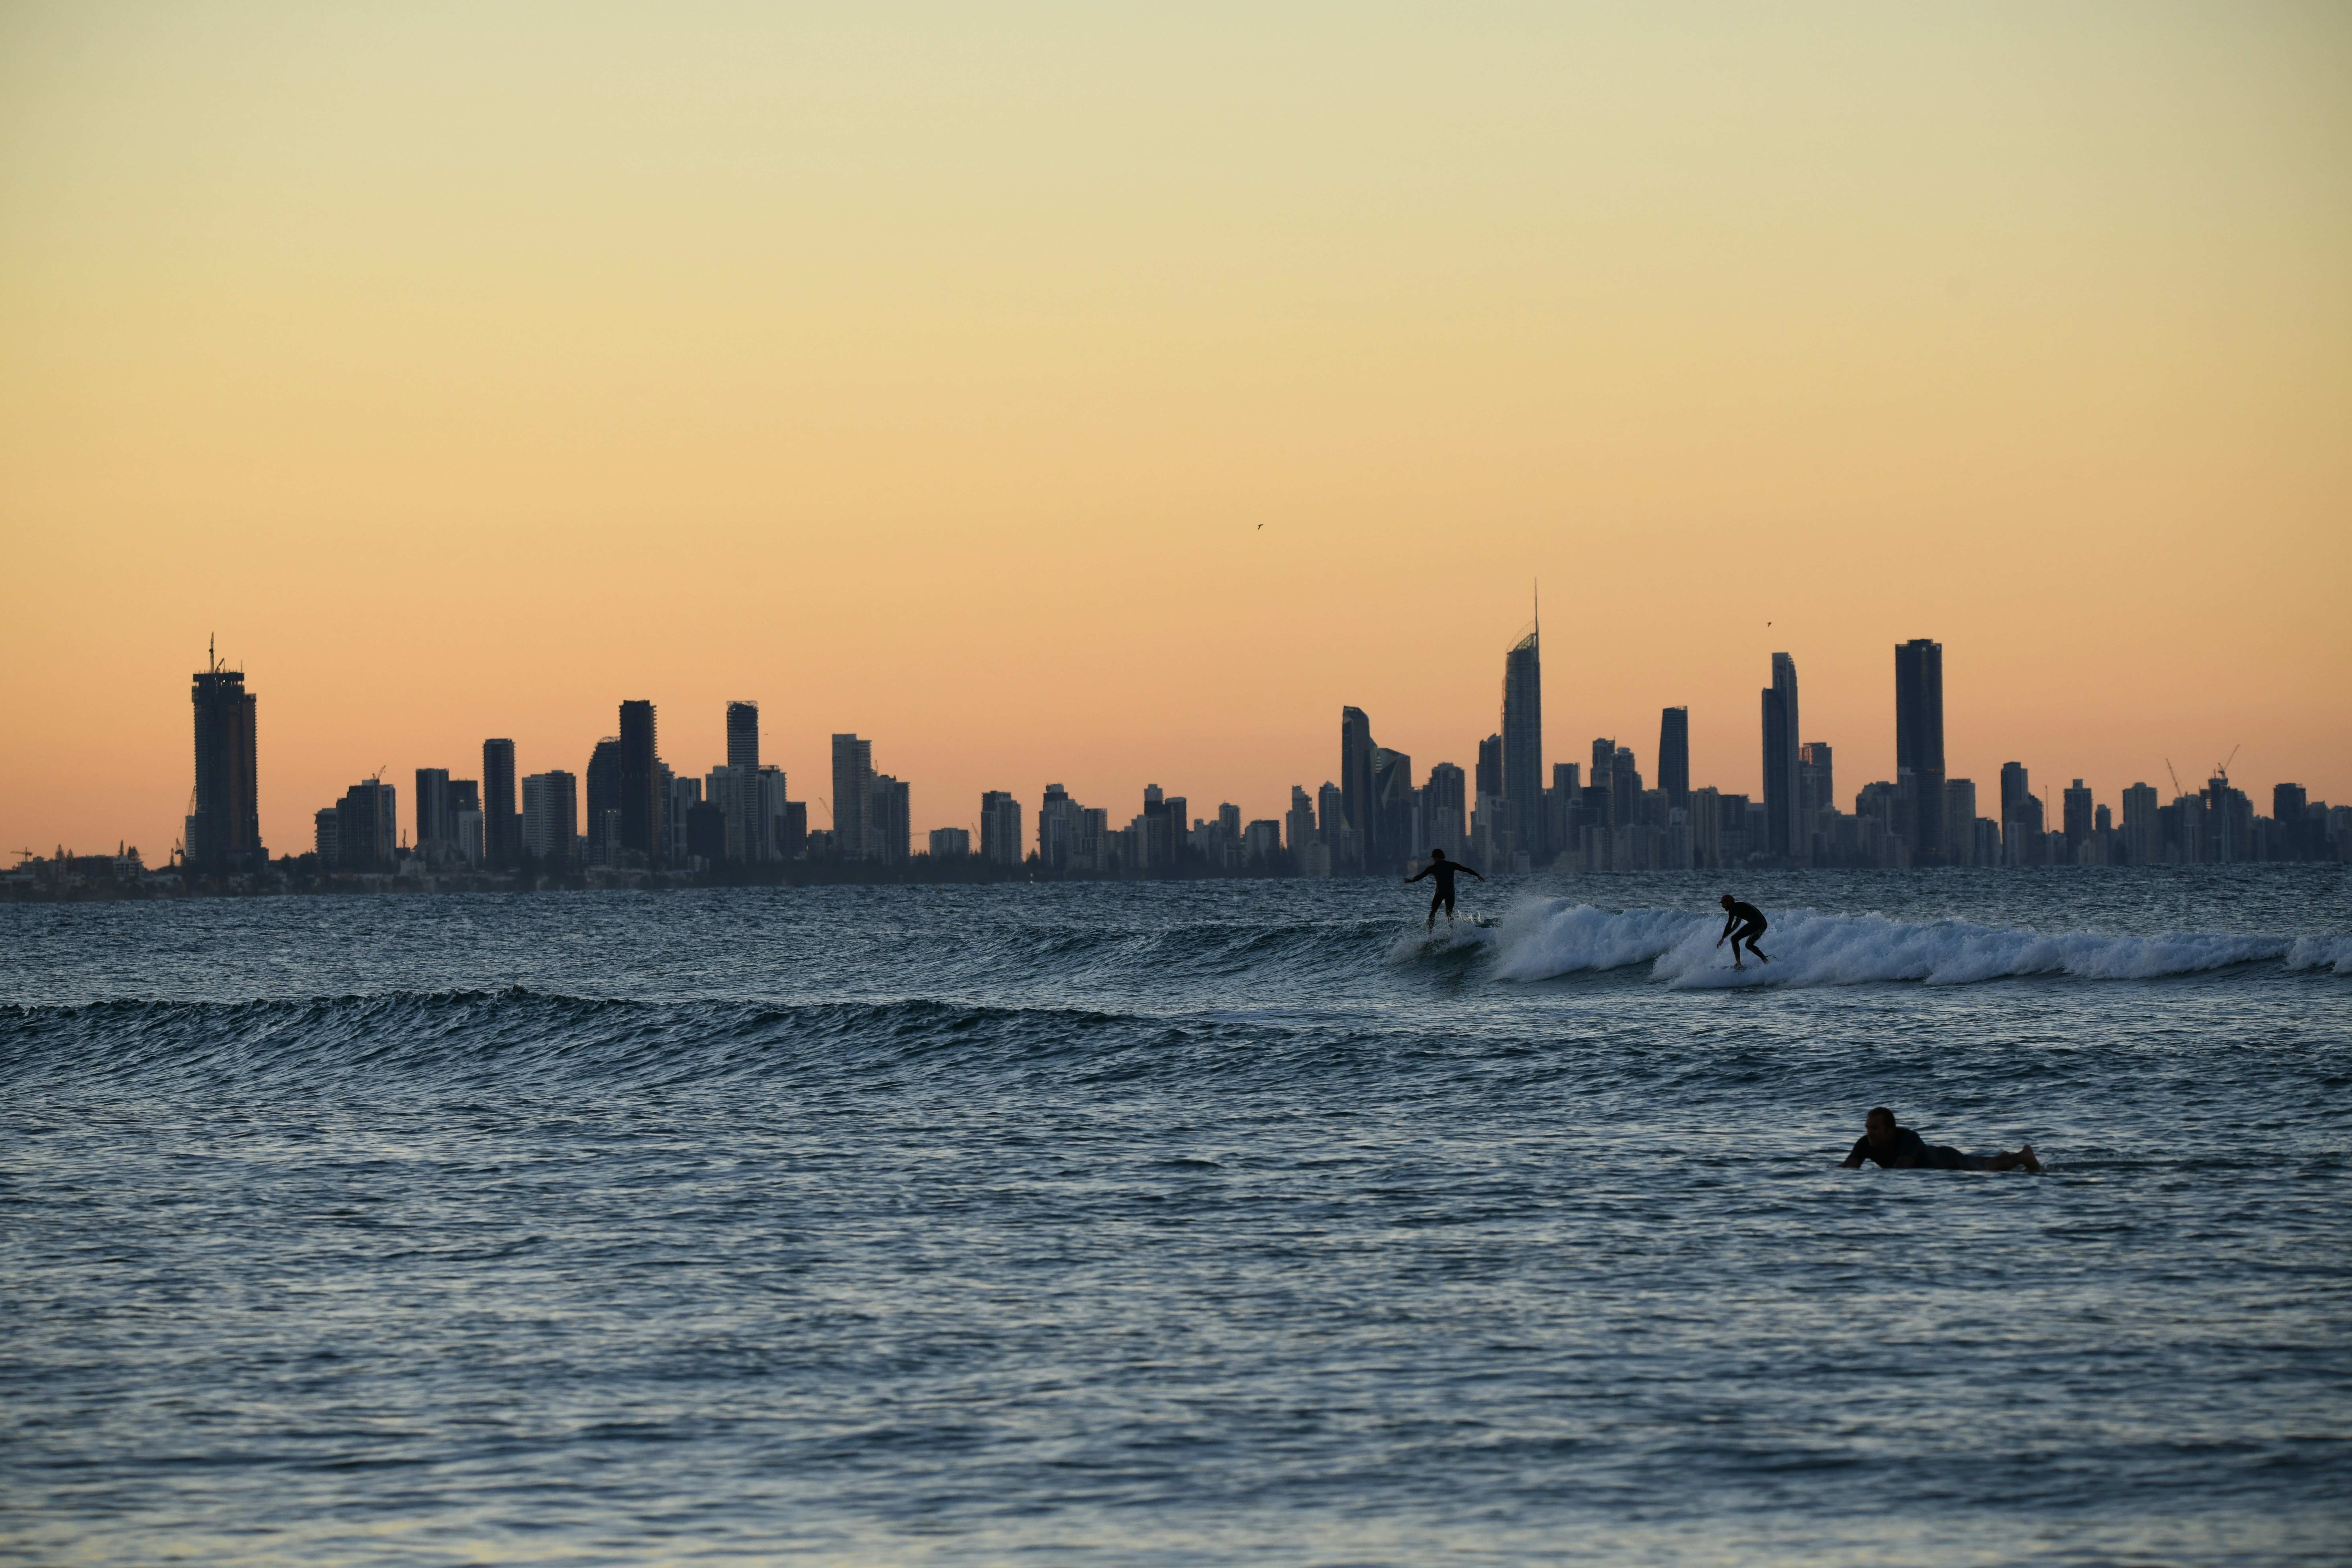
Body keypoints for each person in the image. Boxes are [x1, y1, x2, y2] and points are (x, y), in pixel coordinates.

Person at [1839, 1106, 2041, 1173]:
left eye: (1875, 1129)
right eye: (1867, 1128)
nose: (1870, 1133)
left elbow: (1903, 1168)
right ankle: (2006, 1156)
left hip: (1947, 1161)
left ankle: (2023, 1156)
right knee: (1982, 1161)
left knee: (1986, 1169)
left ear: (1890, 1131)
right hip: (1936, 1157)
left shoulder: (1909, 1137)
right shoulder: (1866, 1143)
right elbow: (1850, 1166)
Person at [1405, 847, 1485, 930]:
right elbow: (1466, 870)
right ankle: (1452, 932)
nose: (1434, 861)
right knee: (1449, 914)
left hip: (1440, 892)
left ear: (1436, 857)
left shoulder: (1432, 868)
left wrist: (1409, 881)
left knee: (1433, 913)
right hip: (1451, 893)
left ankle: (1430, 935)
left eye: (1434, 859)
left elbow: (1420, 877)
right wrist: (1478, 875)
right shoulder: (1452, 865)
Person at [1715, 893, 1770, 969]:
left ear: (1729, 902)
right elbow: (1736, 924)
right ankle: (1766, 961)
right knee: (1749, 945)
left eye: (1724, 903)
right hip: (1763, 924)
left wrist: (1723, 938)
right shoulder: (1739, 907)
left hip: (1756, 923)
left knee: (1734, 939)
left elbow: (1729, 923)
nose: (1723, 906)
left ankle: (1739, 964)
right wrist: (1727, 935)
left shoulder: (1733, 909)